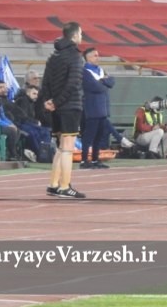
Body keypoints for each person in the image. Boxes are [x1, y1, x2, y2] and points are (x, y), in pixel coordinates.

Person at [41, 21, 86, 198]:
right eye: (80, 33)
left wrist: (49, 101)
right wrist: (58, 102)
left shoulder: (54, 56)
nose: (81, 37)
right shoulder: (75, 56)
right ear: (74, 36)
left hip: (56, 107)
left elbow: (46, 81)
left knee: (61, 146)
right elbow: (73, 83)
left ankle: (53, 184)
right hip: (70, 106)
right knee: (68, 147)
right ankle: (65, 186)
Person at [80, 47, 132, 168]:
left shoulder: (100, 70)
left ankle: (95, 159)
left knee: (99, 136)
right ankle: (84, 160)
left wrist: (102, 82)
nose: (98, 58)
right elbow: (96, 87)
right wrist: (104, 83)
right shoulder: (85, 72)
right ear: (88, 57)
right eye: (95, 55)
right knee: (89, 136)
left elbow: (112, 81)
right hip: (92, 108)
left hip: (103, 107)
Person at [9, 84, 53, 162]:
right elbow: (23, 117)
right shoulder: (22, 101)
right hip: (21, 124)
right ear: (27, 93)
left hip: (28, 124)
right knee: (35, 133)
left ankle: (45, 154)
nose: (36, 96)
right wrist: (35, 122)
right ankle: (41, 154)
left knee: (45, 131)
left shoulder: (32, 103)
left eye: (37, 94)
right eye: (34, 93)